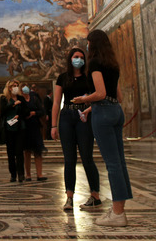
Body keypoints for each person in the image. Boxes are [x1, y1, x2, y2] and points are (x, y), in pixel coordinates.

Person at [72, 30, 132, 227]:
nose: (87, 46)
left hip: (104, 114)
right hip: (115, 111)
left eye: (88, 43)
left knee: (112, 164)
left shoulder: (96, 63)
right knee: (119, 162)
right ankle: (118, 210)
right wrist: (90, 109)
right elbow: (117, 97)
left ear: (92, 43)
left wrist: (84, 100)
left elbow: (100, 93)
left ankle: (117, 213)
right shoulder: (112, 64)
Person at [52, 48, 101, 210]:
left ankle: (95, 195)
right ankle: (69, 197)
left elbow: (97, 97)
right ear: (70, 59)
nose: (78, 59)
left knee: (87, 156)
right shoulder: (63, 78)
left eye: (81, 57)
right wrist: (53, 125)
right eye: (75, 57)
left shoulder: (89, 77)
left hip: (84, 116)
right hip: (67, 115)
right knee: (69, 159)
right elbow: (56, 102)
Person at [0, 80, 25, 183]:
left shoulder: (21, 98)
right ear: (9, 88)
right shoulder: (4, 98)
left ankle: (21, 174)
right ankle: (13, 174)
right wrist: (13, 105)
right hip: (8, 128)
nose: (15, 87)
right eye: (14, 86)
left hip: (19, 127)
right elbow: (2, 111)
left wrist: (19, 115)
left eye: (17, 86)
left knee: (19, 152)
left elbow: (25, 110)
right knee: (10, 152)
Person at [20, 84, 47, 181]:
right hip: (25, 128)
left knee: (38, 151)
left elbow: (42, 111)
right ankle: (28, 175)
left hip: (35, 127)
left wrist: (34, 113)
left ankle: (39, 174)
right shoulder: (20, 100)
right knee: (26, 151)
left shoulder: (34, 99)